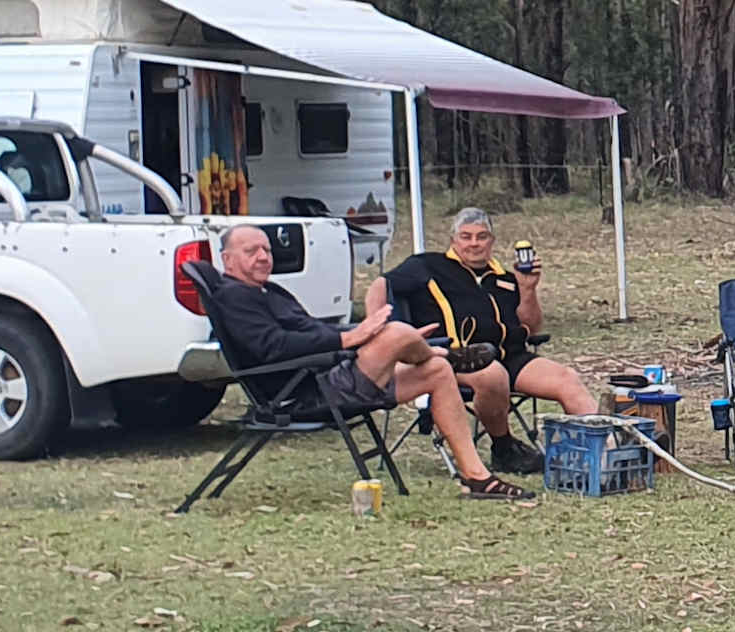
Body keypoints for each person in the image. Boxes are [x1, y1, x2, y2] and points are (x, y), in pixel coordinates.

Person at [199, 224, 531, 502]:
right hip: (304, 393)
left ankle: (477, 477)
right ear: (227, 259)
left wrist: (357, 333)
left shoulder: (268, 291)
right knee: (399, 333)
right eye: (251, 251)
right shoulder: (234, 297)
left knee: (435, 371)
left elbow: (314, 331)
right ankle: (438, 350)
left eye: (267, 250)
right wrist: (349, 339)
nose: (263, 257)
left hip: (328, 376)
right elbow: (272, 348)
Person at [383, 209, 601, 469]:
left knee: (567, 379)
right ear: (453, 240)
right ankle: (504, 448)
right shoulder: (427, 266)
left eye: (481, 236)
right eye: (466, 237)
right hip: (455, 358)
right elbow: (381, 285)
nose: (474, 243)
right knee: (492, 374)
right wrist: (381, 330)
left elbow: (530, 327)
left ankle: (604, 453)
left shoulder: (504, 278)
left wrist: (527, 289)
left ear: (492, 241)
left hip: (510, 354)